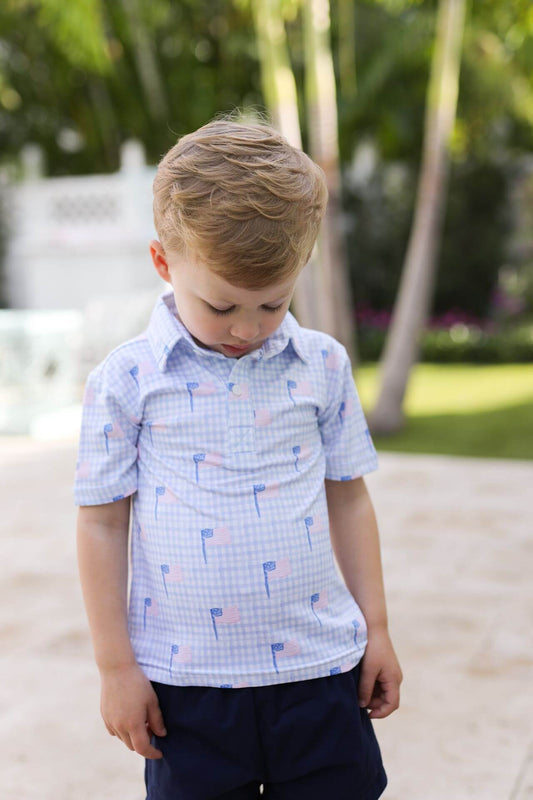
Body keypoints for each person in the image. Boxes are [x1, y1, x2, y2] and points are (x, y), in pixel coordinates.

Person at [74, 114, 402, 800]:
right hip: (186, 688)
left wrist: (375, 629)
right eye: (221, 304)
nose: (247, 329)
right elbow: (102, 523)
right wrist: (114, 667)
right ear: (165, 263)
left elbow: (347, 496)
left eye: (272, 304)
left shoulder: (322, 365)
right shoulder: (128, 381)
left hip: (318, 674)